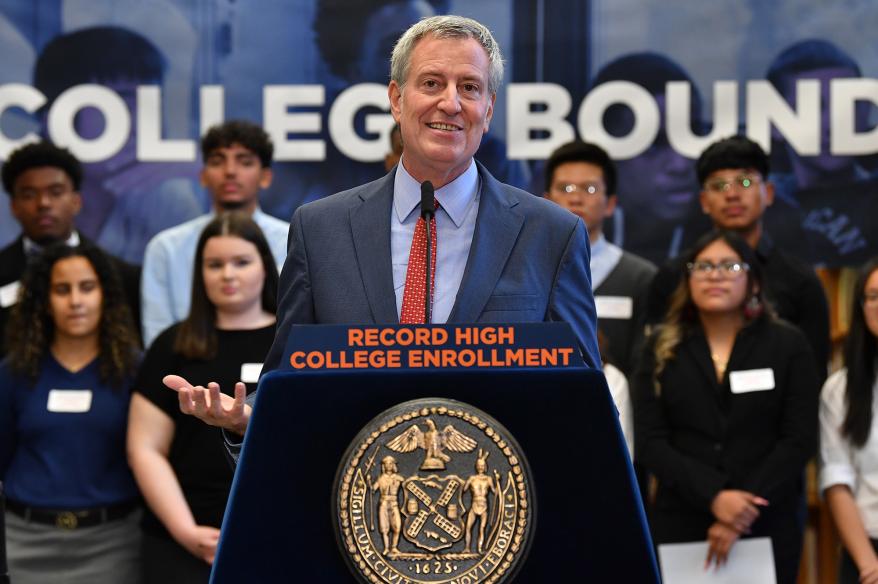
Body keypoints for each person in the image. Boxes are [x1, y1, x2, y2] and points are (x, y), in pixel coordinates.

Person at [166, 15, 600, 461]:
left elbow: (584, 394)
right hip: (355, 503)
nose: (450, 103)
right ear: (396, 99)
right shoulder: (320, 230)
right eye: (431, 83)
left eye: (469, 87)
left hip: (500, 509)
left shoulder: (552, 234)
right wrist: (246, 419)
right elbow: (288, 383)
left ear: (488, 109)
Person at [633, 230, 818, 584]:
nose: (715, 274)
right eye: (703, 266)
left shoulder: (787, 344)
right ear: (688, 280)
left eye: (730, 265)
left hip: (766, 518)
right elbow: (650, 441)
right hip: (682, 521)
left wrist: (741, 510)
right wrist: (715, 496)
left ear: (753, 282)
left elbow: (799, 438)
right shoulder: (658, 348)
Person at [127, 212, 278, 582]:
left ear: (265, 267)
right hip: (179, 543)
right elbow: (145, 448)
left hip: (277, 533)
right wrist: (186, 532)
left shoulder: (293, 342)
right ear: (200, 274)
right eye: (215, 264)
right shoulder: (173, 346)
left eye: (241, 262)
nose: (228, 274)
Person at [0, 243, 142, 584]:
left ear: (105, 295)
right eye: (62, 290)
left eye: (87, 288)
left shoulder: (136, 370)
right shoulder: (13, 373)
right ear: (44, 301)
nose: (76, 301)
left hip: (113, 545)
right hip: (25, 543)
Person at [646, 135, 830, 379]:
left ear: (769, 192)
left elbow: (812, 376)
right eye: (719, 185)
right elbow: (653, 367)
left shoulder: (800, 281)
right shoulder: (673, 277)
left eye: (744, 182)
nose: (731, 194)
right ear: (703, 201)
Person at [31, 26, 203, 264]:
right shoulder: (10, 200)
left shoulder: (167, 198)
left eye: (150, 102)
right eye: (120, 102)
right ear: (57, 115)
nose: (141, 120)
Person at [140, 120, 289, 347]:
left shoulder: (293, 241)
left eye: (245, 162)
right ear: (203, 176)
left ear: (265, 177)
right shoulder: (166, 248)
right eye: (217, 161)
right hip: (187, 372)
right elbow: (157, 339)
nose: (230, 172)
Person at [0, 141, 142, 356]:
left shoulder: (122, 277)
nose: (43, 203)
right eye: (29, 194)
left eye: (56, 192)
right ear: (13, 206)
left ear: (76, 201)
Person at [543, 140, 656, 376]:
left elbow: (646, 367)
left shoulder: (641, 278)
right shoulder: (524, 271)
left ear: (611, 204)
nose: (575, 199)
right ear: (545, 200)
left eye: (590, 189)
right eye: (564, 188)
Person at [589, 52, 711, 265]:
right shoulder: (567, 241)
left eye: (692, 135)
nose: (681, 165)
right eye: (653, 143)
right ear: (608, 151)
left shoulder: (721, 239)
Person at [765, 39, 878, 265]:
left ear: (866, 111)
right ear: (775, 123)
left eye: (848, 104)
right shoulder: (757, 204)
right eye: (813, 107)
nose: (833, 123)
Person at [819, 257, 878, 584]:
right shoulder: (840, 388)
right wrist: (869, 566)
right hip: (868, 553)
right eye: (873, 296)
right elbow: (837, 478)